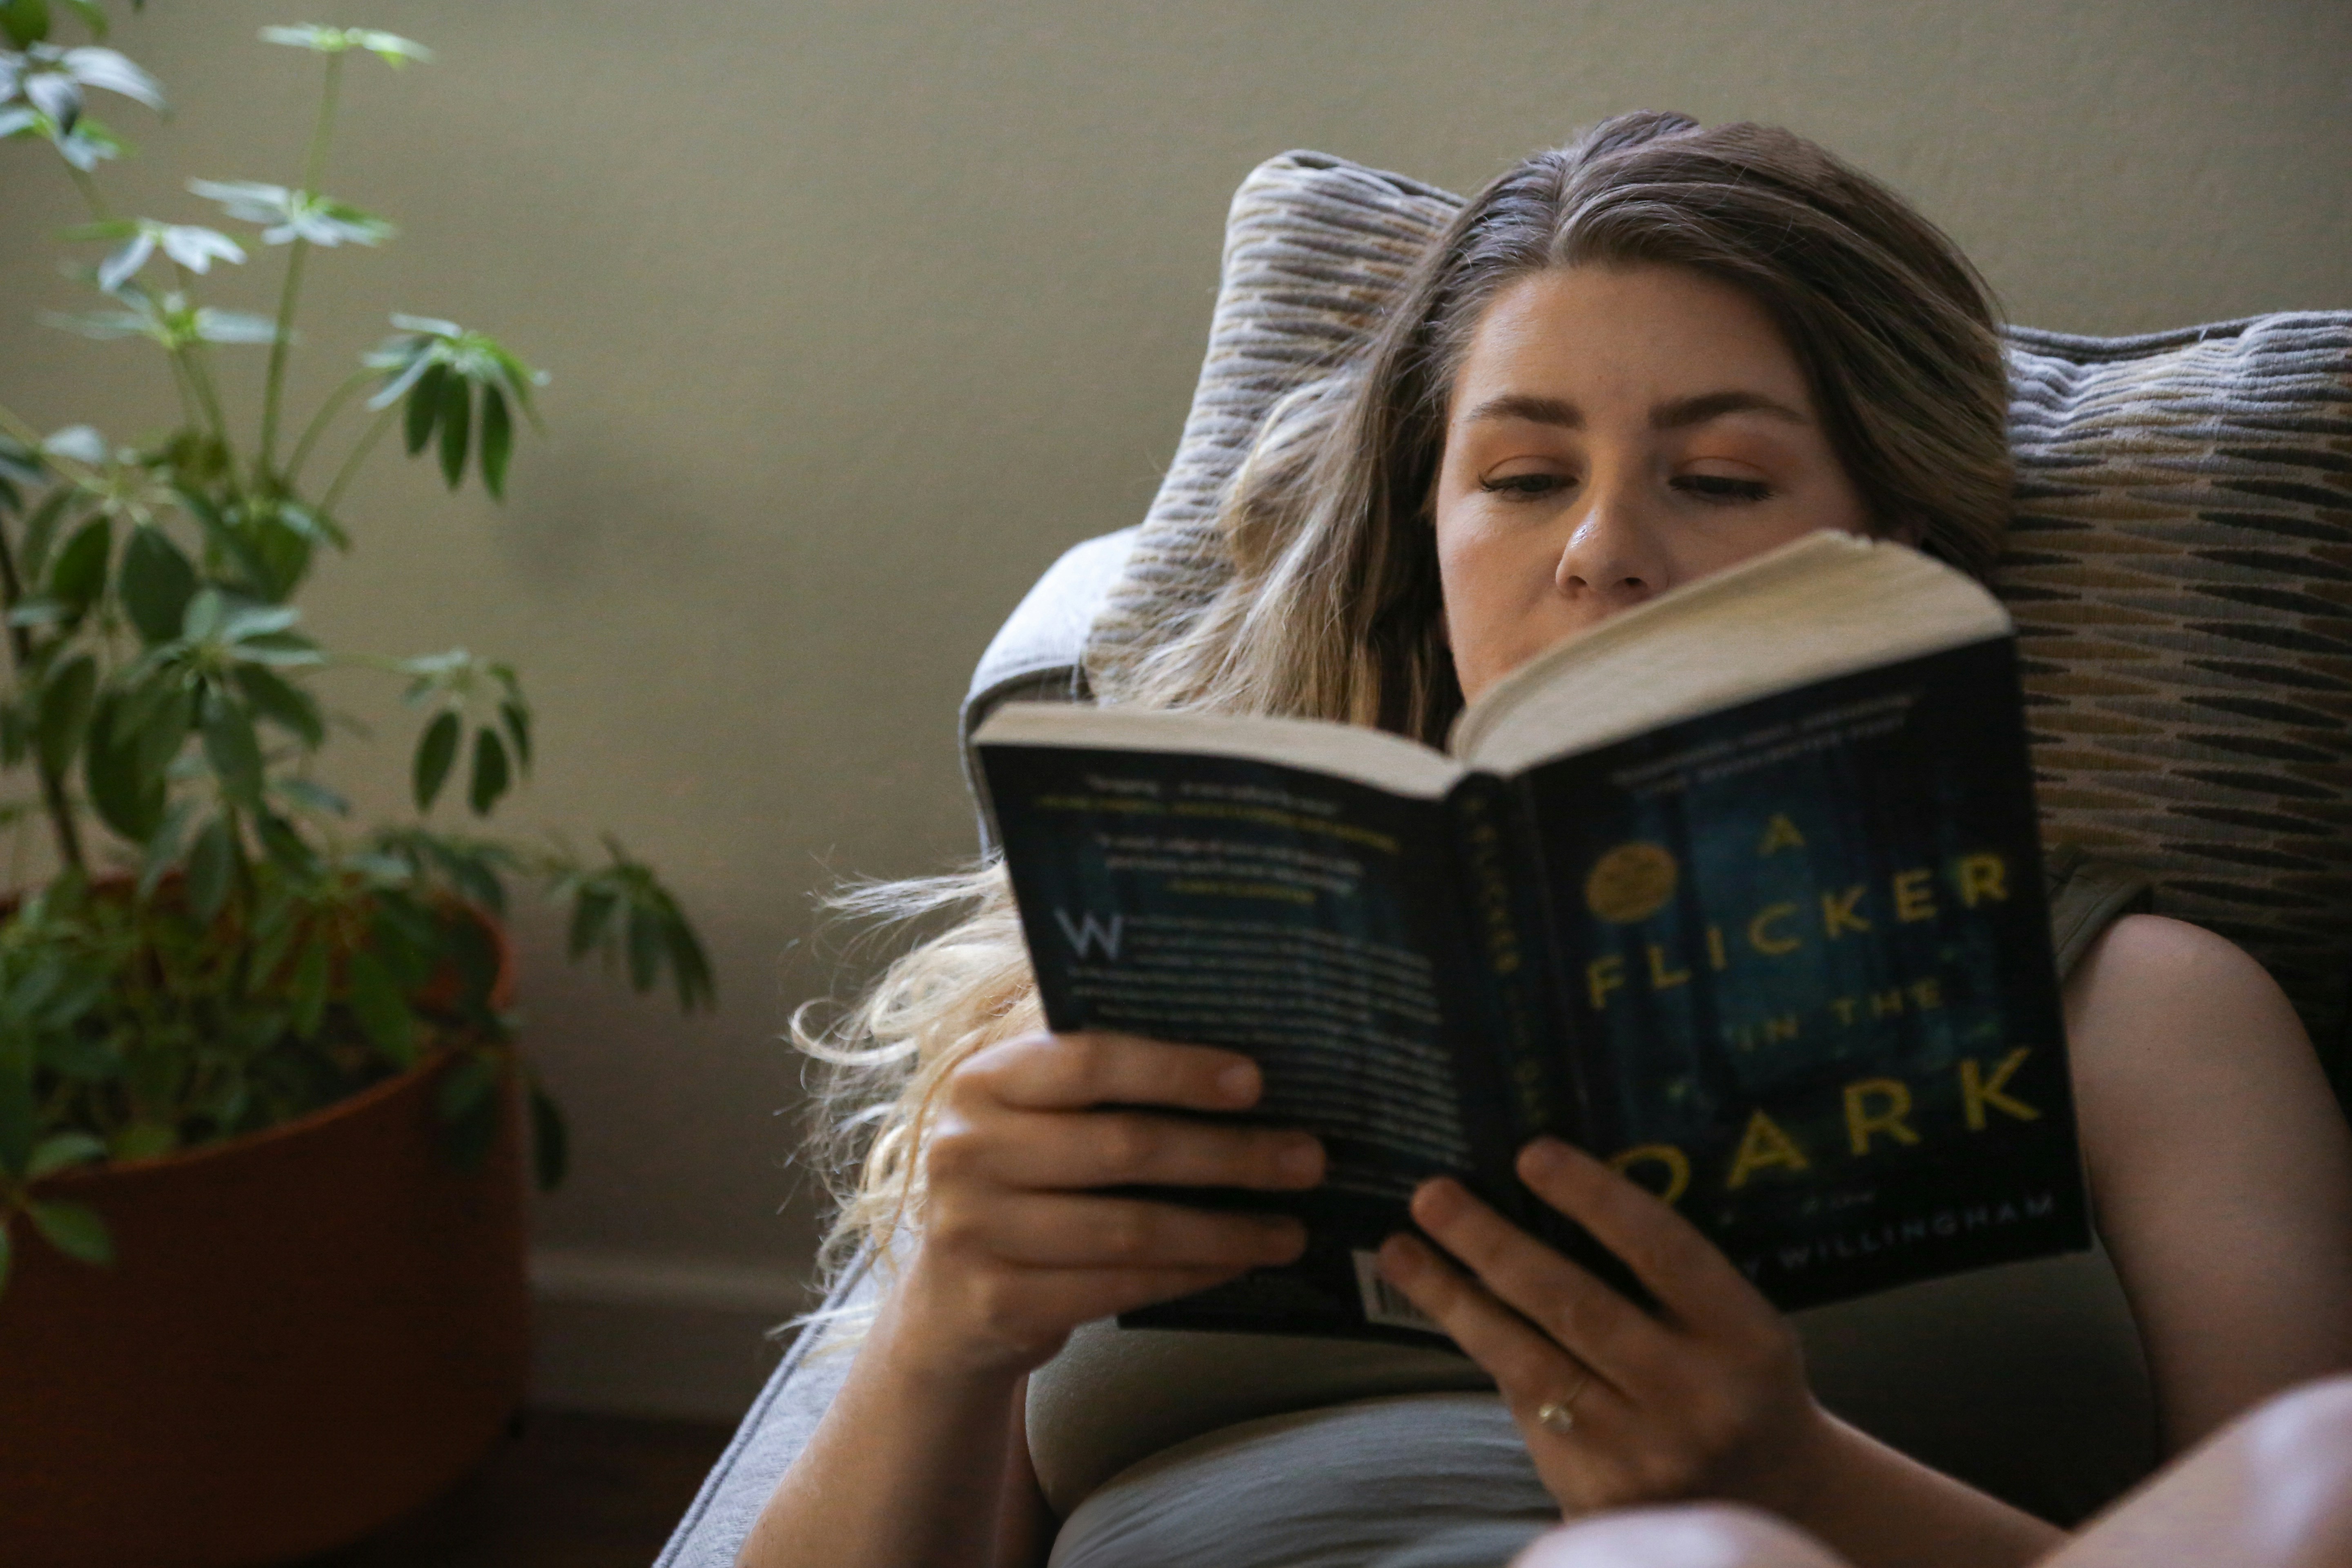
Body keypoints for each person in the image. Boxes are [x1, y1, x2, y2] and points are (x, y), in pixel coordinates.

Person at [739, 113, 2352, 1568]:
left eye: (1716, 478)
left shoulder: (2144, 1013)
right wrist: (941, 1334)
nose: (1600, 550)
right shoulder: (1144, 988)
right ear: (1427, 536)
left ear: (1892, 541)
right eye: (1520, 477)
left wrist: (1789, 1481)